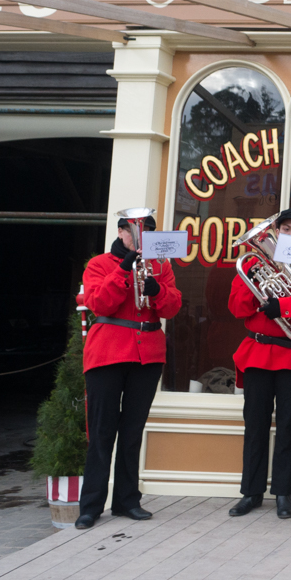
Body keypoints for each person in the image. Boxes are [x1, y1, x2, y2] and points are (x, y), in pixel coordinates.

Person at [76, 213, 182, 530]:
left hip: (147, 354)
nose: (141, 236)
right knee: (101, 431)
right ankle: (91, 506)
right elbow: (99, 304)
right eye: (136, 231)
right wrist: (124, 269)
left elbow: (172, 307)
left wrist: (157, 290)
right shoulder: (99, 264)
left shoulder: (161, 266)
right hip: (107, 352)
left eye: (147, 231)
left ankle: (127, 501)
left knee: (132, 431)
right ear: (122, 232)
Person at [227, 208, 291, 520]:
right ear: (276, 233)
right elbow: (235, 306)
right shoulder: (254, 262)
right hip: (258, 352)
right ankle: (251, 492)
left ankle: (284, 492)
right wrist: (258, 288)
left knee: (289, 425)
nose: (290, 234)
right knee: (255, 424)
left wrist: (283, 306)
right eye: (284, 228)